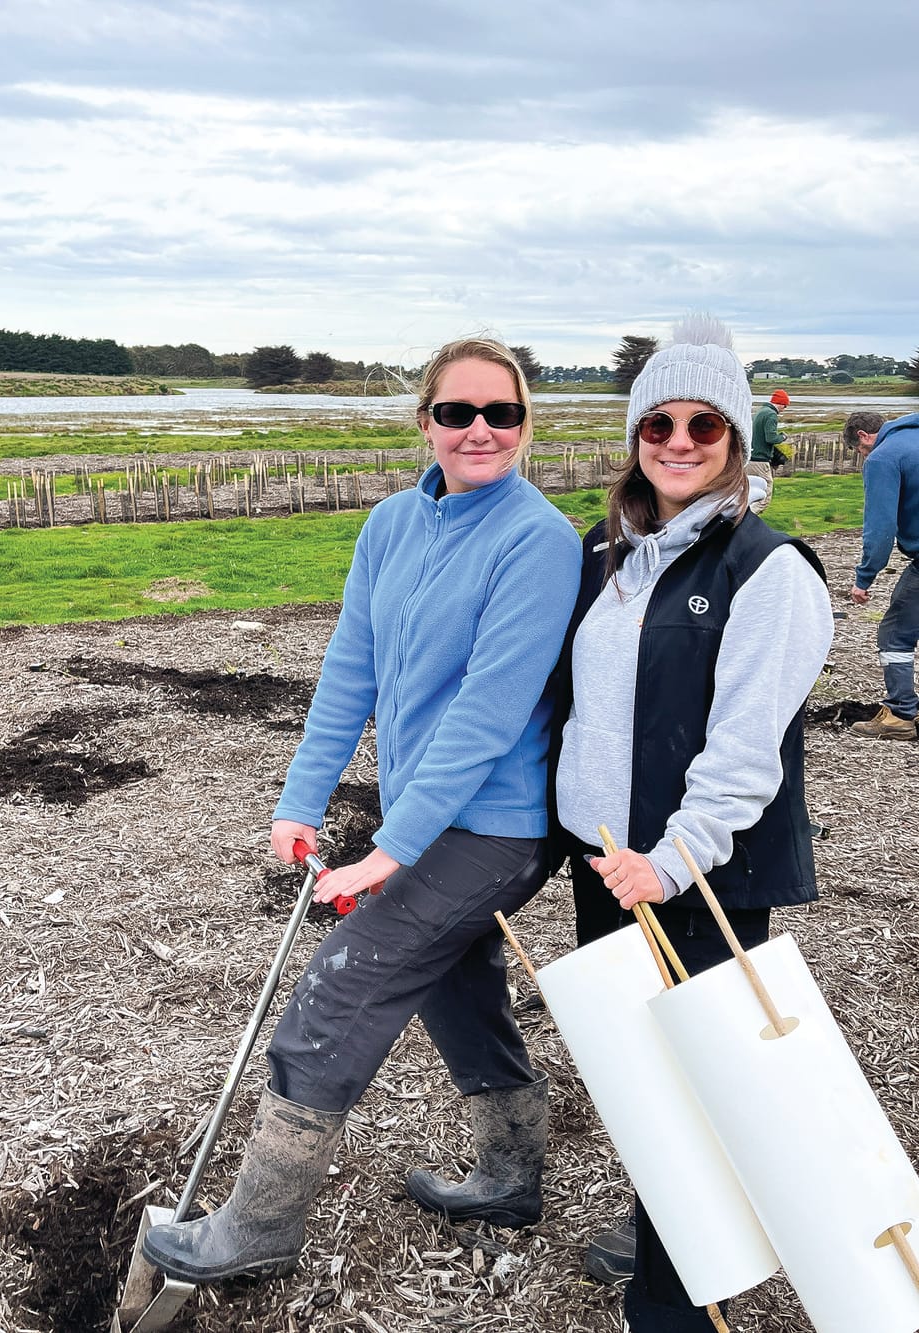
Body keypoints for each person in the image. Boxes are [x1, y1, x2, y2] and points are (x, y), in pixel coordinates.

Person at [140, 337, 582, 1286]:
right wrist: (302, 797)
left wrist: (390, 849)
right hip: (432, 815)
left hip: (499, 824)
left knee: (339, 989)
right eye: (457, 412)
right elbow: (352, 666)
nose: (479, 430)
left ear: (524, 423)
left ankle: (260, 1224)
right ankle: (509, 1174)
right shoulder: (390, 524)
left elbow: (489, 714)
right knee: (454, 979)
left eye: (501, 412)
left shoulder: (537, 540)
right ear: (425, 422)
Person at [552, 315, 832, 1332]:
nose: (677, 442)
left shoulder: (769, 570)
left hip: (692, 874)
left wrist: (671, 861)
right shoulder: (606, 551)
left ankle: (668, 1308)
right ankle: (663, 1226)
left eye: (704, 424)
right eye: (657, 423)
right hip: (608, 862)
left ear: (737, 438)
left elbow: (745, 749)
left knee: (695, 1091)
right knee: (641, 1075)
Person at [843, 408, 919, 740]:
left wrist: (864, 578)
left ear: (863, 437)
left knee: (895, 633)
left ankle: (900, 714)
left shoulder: (883, 458)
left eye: (859, 451)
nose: (863, 456)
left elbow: (880, 530)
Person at [745, 387, 790, 514]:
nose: (784, 409)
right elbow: (771, 438)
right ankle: (745, 521)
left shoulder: (760, 412)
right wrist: (782, 437)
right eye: (785, 406)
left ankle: (742, 517)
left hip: (749, 458)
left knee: (751, 493)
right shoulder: (771, 414)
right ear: (780, 403)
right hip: (760, 460)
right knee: (764, 497)